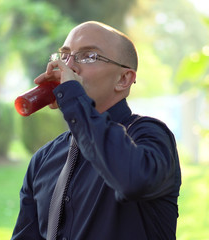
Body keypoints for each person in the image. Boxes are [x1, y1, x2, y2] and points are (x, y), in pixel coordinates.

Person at [11, 21, 181, 240]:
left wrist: (73, 98)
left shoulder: (150, 136)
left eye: (88, 56)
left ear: (123, 79)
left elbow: (132, 181)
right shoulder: (43, 159)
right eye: (64, 56)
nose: (68, 67)